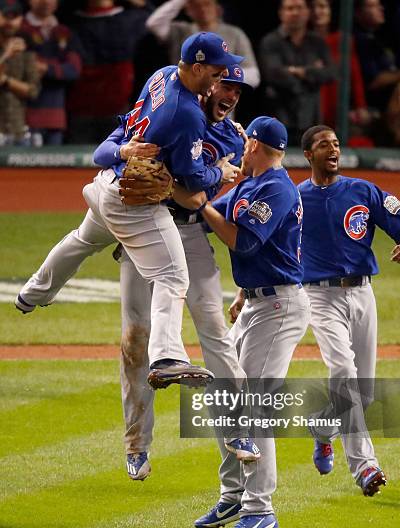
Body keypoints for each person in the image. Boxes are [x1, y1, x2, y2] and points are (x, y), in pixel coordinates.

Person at [15, 65, 259, 477]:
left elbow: (211, 195)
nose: (231, 95)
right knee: (134, 342)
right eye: (225, 85)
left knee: (216, 335)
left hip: (191, 236)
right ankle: (136, 446)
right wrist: (128, 154)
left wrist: (209, 187)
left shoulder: (234, 136)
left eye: (237, 90)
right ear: (206, 82)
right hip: (142, 227)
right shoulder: (171, 114)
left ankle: (239, 430)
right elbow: (116, 150)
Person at [15, 31, 243, 390]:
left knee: (82, 239)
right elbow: (193, 179)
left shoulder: (162, 75)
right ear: (197, 67)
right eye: (216, 73)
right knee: (172, 277)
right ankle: (167, 356)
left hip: (108, 182)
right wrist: (223, 172)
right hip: (132, 205)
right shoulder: (186, 114)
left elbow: (121, 133)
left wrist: (121, 152)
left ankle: (34, 292)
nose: (218, 81)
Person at [174, 116, 310, 528]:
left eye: (244, 139)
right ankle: (233, 496)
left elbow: (244, 241)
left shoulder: (275, 187)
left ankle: (260, 510)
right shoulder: (254, 182)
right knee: (223, 393)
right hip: (256, 300)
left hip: (280, 306)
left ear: (253, 144)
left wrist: (200, 206)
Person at [298, 124, 400, 496]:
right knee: (344, 370)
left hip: (363, 294)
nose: (332, 149)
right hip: (320, 297)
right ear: (308, 155)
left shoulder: (361, 190)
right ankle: (366, 466)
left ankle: (323, 427)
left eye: (335, 143)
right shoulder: (295, 198)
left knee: (362, 394)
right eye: (323, 145)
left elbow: (398, 225)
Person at [66, 0, 154, 143]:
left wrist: (143, 5)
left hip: (119, 107)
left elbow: (156, 23)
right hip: (80, 109)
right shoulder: (71, 23)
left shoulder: (133, 19)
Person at [258, 0, 336, 145]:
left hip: (312, 118)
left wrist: (298, 71)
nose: (295, 13)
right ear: (281, 13)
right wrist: (312, 72)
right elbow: (273, 74)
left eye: (299, 8)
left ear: (307, 12)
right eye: (290, 8)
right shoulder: (270, 41)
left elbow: (331, 73)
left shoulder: (318, 42)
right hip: (279, 117)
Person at [145, 0, 260, 88]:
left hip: (220, 102)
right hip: (183, 96)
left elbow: (254, 76)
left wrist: (219, 74)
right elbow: (153, 23)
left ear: (218, 9)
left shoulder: (235, 34)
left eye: (207, 4)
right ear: (188, 10)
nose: (203, 9)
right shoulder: (180, 30)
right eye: (197, 5)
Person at [21, 0, 82, 146]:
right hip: (22, 117)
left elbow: (74, 70)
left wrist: (46, 68)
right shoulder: (19, 29)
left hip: (55, 118)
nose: (46, 1)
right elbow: (24, 67)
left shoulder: (65, 32)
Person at [354, 0, 400, 113]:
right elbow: (373, 81)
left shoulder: (381, 37)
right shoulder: (359, 41)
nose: (381, 8)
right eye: (372, 6)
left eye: (379, 4)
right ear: (357, 13)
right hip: (376, 109)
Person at [310, 0, 370, 130]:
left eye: (322, 7)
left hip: (336, 102)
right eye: (313, 7)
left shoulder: (342, 40)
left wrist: (361, 105)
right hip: (312, 105)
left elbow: (355, 74)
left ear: (331, 11)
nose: (317, 12)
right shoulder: (304, 41)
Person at [0, 0, 40, 145]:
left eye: (15, 16)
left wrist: (5, 81)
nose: (10, 21)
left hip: (19, 132)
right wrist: (6, 55)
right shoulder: (11, 51)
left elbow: (33, 91)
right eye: (6, 16)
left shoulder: (25, 50)